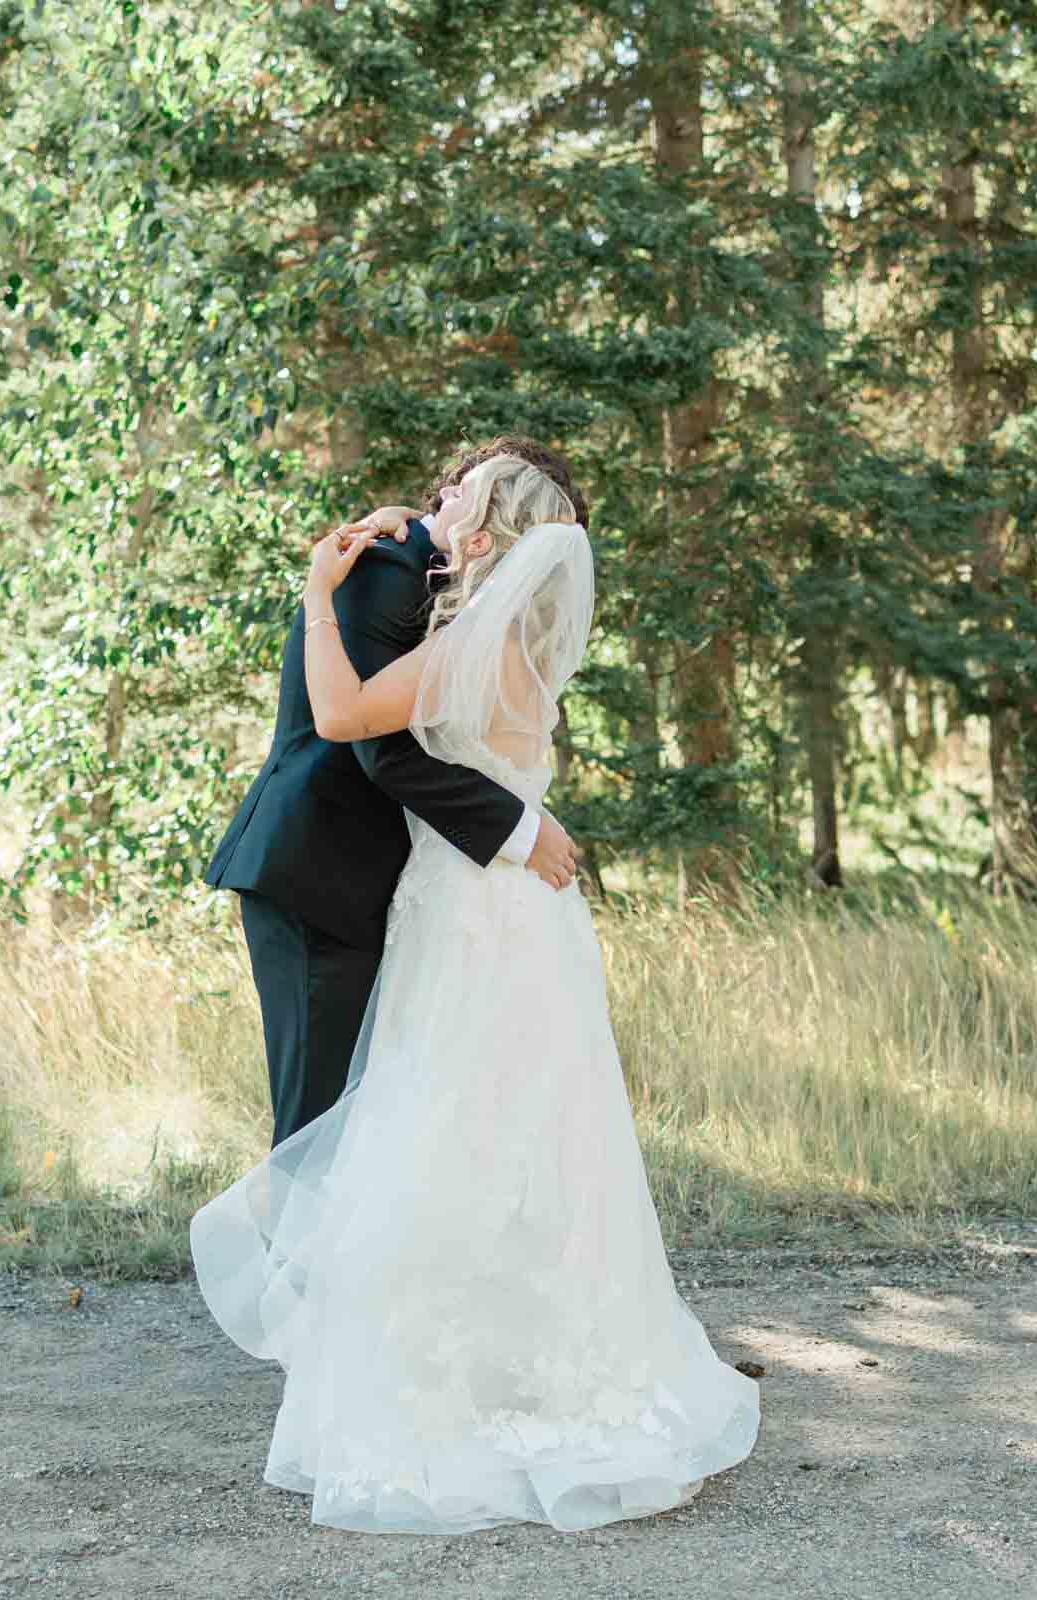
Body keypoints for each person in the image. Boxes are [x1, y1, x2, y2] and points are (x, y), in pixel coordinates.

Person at [191, 452, 760, 1535]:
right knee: (446, 1126)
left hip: (462, 906)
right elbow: (371, 750)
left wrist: (315, 588)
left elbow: (360, 723)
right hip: (414, 896)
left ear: (492, 534)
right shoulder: (426, 590)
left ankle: (383, 1367)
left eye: (463, 487)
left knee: (442, 1126)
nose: (431, 493)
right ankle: (392, 1353)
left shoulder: (454, 622)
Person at [203, 438, 585, 1149]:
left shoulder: (435, 579)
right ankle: (293, 1263)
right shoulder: (382, 568)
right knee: (316, 1126)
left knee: (375, 1128)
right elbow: (379, 749)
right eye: (462, 483)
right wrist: (522, 830)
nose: (449, 492)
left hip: (380, 885)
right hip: (317, 871)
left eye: (470, 490)